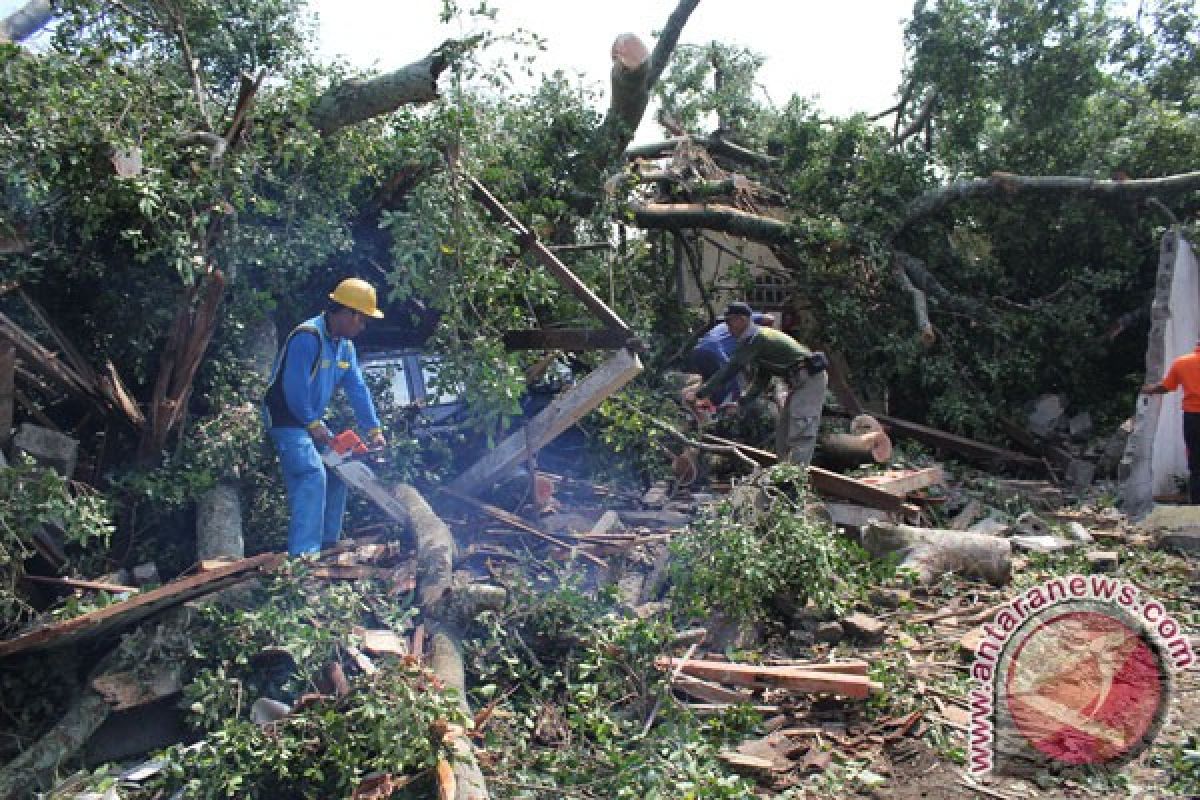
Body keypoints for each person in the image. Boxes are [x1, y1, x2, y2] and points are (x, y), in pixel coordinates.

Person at [263, 278, 388, 555]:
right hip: (287, 419)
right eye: (362, 320)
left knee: (340, 469)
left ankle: (329, 543)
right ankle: (304, 556)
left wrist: (374, 430)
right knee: (312, 473)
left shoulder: (345, 346)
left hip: (310, 421)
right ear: (347, 312)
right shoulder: (308, 337)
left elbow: (358, 389)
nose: (363, 326)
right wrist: (312, 423)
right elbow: (294, 388)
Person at [683, 302, 828, 465]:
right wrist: (741, 403)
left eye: (730, 322)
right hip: (798, 381)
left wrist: (699, 393)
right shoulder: (754, 343)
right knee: (784, 432)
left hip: (810, 379)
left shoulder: (758, 338)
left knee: (801, 429)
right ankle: (783, 473)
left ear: (742, 320)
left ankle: (795, 478)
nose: (728, 328)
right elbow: (761, 379)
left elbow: (731, 368)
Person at [1141, 340, 1200, 503]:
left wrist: (1150, 389)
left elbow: (1167, 386)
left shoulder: (1182, 363)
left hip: (1192, 418)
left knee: (1196, 462)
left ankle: (1196, 505)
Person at [687, 309, 775, 405]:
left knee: (710, 384)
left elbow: (742, 366)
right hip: (715, 351)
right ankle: (724, 414)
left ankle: (690, 399)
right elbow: (770, 318)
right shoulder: (747, 320)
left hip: (698, 350)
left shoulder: (728, 325)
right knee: (732, 386)